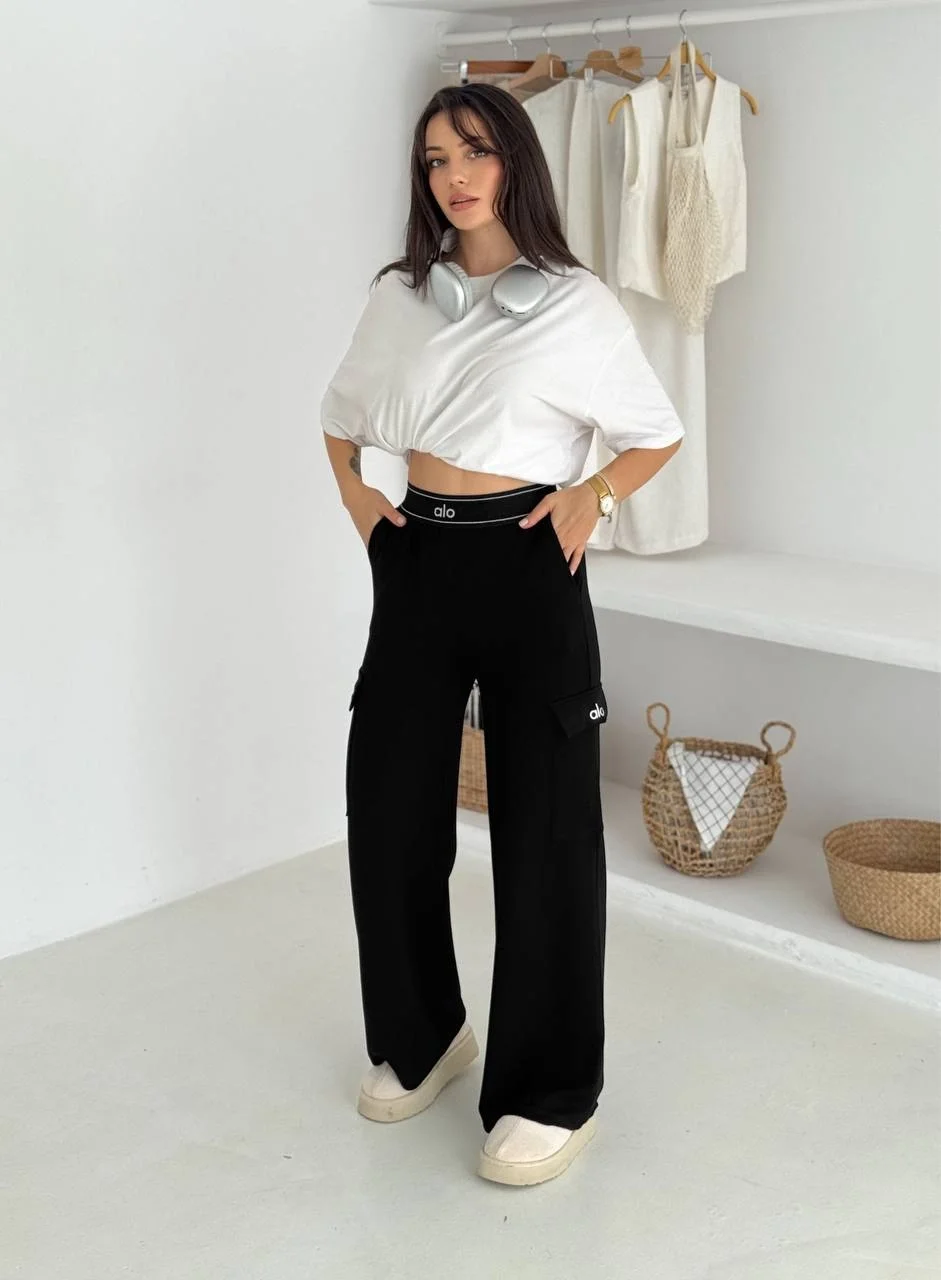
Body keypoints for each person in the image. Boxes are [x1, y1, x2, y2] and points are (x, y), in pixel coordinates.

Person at [320, 84, 685, 1188]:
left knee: (545, 830)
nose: (455, 176)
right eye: (435, 159)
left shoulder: (577, 303)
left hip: (530, 560)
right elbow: (341, 419)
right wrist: (362, 508)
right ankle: (422, 1037)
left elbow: (653, 432)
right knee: (387, 809)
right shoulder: (401, 294)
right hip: (418, 557)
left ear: (514, 160)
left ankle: (549, 1090)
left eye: (474, 152)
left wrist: (594, 496)